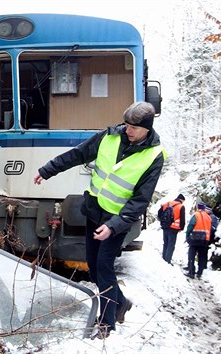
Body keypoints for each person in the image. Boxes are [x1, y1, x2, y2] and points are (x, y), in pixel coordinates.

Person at [33, 101, 165, 338]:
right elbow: (78, 154)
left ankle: (107, 323)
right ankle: (121, 302)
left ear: (147, 128)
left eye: (134, 127)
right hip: (95, 212)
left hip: (117, 220)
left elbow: (140, 200)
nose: (128, 130)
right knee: (93, 268)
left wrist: (114, 226)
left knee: (104, 267)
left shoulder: (154, 156)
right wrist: (47, 170)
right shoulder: (109, 136)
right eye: (126, 124)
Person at [185, 203, 214, 279]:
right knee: (202, 256)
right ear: (204, 209)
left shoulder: (196, 215)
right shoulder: (209, 217)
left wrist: (187, 235)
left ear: (198, 208)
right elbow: (210, 229)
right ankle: (199, 273)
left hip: (195, 238)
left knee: (191, 255)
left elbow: (191, 225)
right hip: (205, 240)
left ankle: (191, 272)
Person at [159, 194, 186, 264]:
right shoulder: (181, 206)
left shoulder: (167, 203)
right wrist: (181, 228)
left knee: (165, 243)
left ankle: (163, 259)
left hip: (165, 226)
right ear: (182, 200)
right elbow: (182, 219)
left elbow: (159, 213)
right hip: (173, 228)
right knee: (171, 245)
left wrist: (162, 221)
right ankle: (167, 261)